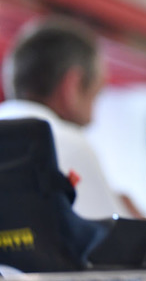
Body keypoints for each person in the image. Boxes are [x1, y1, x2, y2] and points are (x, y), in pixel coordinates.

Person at [0, 16, 134, 220]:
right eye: (96, 94)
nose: (93, 120)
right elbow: (124, 248)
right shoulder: (62, 143)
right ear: (72, 86)